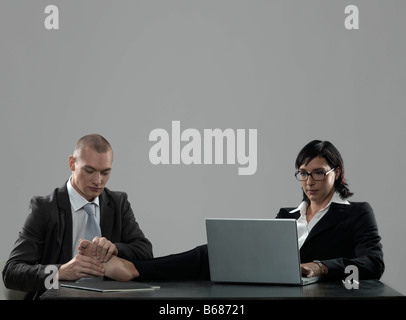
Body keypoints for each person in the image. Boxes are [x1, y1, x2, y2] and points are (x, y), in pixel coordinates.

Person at [79, 140, 384, 282]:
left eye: (318, 173)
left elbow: (372, 262)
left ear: (337, 172)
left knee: (212, 257)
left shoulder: (356, 212)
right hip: (270, 279)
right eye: (303, 173)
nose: (309, 181)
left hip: (306, 285)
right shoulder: (288, 214)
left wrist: (321, 266)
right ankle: (135, 270)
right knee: (212, 252)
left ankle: (133, 269)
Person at [2, 134, 153, 299]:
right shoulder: (44, 208)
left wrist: (115, 248)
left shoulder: (118, 203)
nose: (98, 180)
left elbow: (145, 252)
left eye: (105, 172)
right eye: (90, 171)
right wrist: (59, 272)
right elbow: (11, 273)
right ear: (72, 163)